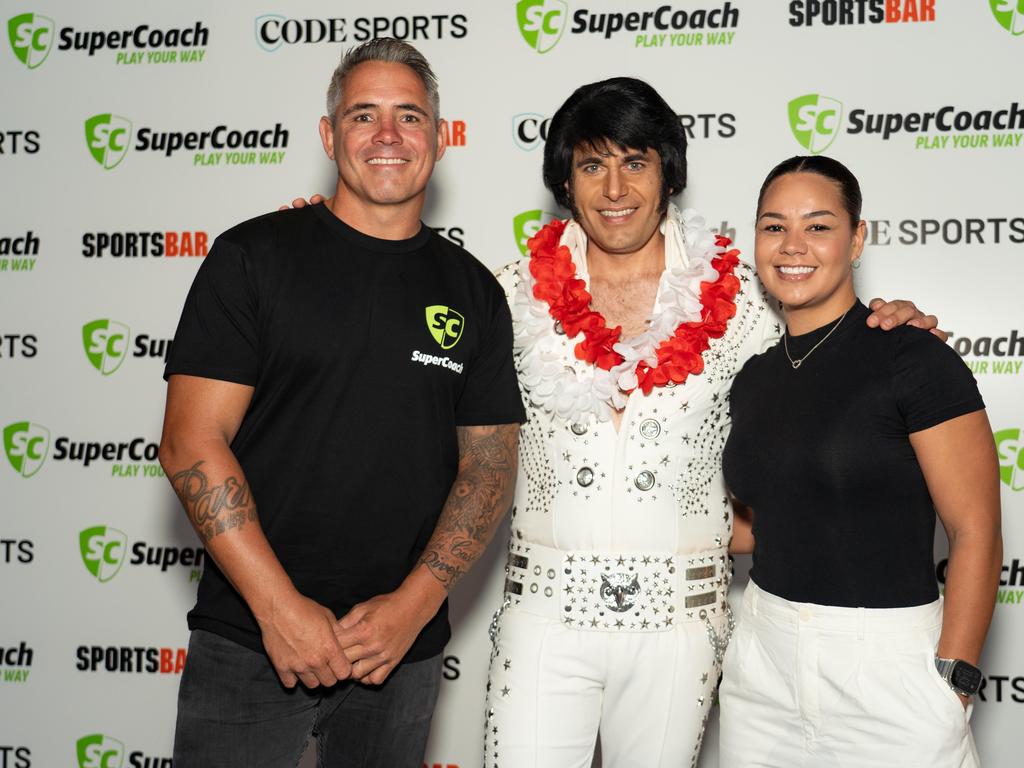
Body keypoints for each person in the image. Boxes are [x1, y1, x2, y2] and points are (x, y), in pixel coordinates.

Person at [483, 79, 941, 768]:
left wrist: (891, 324)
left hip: (682, 623)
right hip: (542, 615)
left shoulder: (743, 303)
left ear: (669, 171)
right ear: (564, 181)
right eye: (591, 164)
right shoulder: (506, 293)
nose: (614, 187)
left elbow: (831, 345)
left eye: (635, 161)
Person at [159, 38, 524, 768]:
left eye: (409, 117)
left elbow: (488, 469)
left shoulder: (474, 290)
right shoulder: (252, 257)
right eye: (364, 116)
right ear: (329, 136)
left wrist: (412, 609)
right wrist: (281, 611)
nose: (388, 136)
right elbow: (190, 443)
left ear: (441, 139)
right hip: (252, 642)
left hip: (399, 655)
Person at [719, 155, 1002, 767]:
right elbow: (770, 524)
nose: (793, 245)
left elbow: (975, 528)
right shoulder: (753, 378)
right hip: (763, 662)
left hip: (889, 668)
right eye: (773, 226)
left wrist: (953, 683)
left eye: (818, 225)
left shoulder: (913, 358)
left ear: (857, 239)